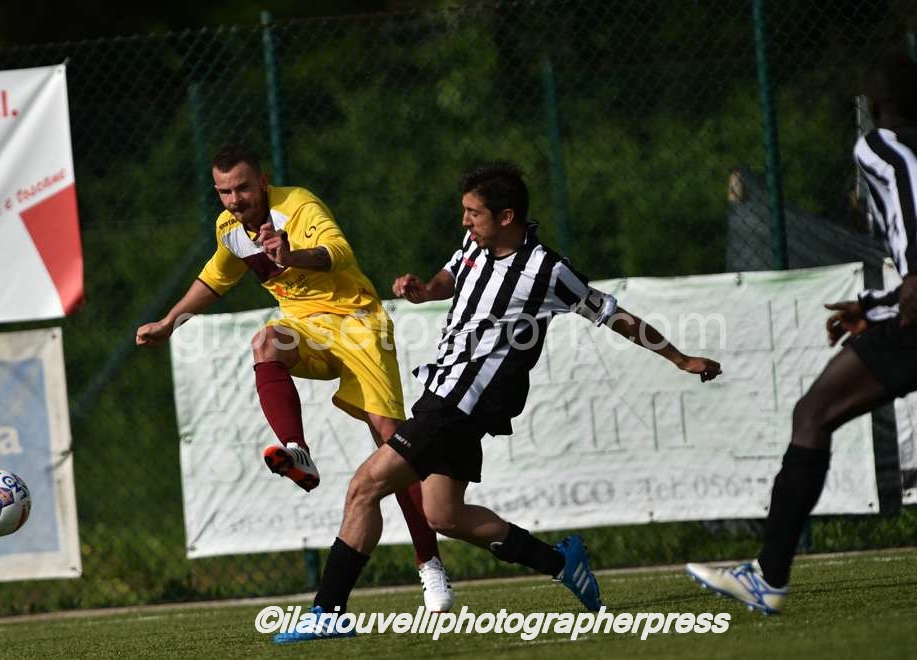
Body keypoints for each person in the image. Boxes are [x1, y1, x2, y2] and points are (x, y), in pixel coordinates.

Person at [274, 161, 722, 643]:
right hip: (447, 396)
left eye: (474, 213)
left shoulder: (548, 270)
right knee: (444, 515)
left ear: (506, 216)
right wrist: (425, 291)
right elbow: (451, 276)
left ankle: (328, 611)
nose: (465, 221)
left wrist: (680, 358)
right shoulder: (475, 244)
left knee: (364, 487)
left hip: (457, 403)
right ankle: (560, 562)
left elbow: (612, 314)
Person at [134, 144, 453, 611]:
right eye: (224, 192)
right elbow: (214, 279)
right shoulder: (229, 229)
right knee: (265, 342)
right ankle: (297, 450)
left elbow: (337, 252)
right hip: (304, 326)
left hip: (358, 322)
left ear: (263, 181)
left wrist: (291, 255)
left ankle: (430, 562)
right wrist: (169, 322)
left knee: (392, 443)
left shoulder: (297, 204)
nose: (235, 200)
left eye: (243, 188)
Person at [686, 51, 917, 615]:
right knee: (816, 413)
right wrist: (875, 304)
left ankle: (768, 576)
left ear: (874, 104)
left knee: (813, 414)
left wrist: (915, 277)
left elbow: (912, 198)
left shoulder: (880, 145)